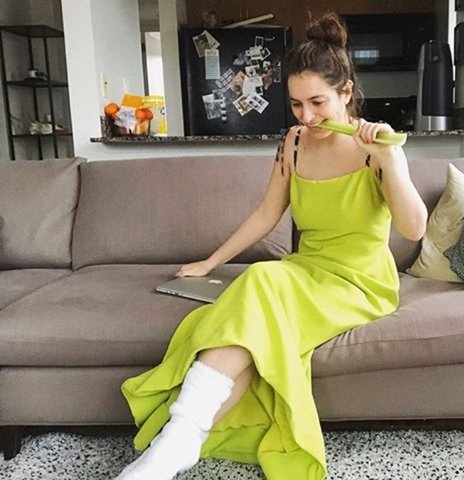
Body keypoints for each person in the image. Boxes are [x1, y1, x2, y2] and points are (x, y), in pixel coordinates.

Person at [115, 12, 427, 480]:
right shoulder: (294, 143)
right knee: (255, 300)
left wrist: (390, 159)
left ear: (346, 92)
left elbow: (414, 228)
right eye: (297, 104)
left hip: (359, 283)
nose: (307, 116)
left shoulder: (375, 148)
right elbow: (266, 214)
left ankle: (169, 450)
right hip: (305, 272)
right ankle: (176, 447)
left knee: (260, 281)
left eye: (318, 102)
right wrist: (210, 262)